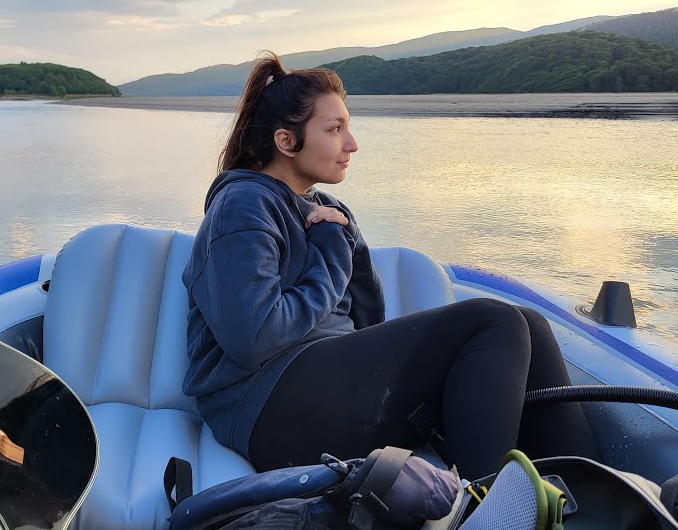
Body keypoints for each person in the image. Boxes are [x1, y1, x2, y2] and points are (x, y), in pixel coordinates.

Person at [182, 52, 599, 478]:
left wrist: (346, 239)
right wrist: (329, 251)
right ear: (287, 142)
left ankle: (586, 491)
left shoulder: (324, 208)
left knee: (530, 323)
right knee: (493, 320)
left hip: (324, 390)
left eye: (349, 126)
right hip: (262, 409)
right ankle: (483, 509)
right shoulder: (244, 205)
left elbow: (366, 321)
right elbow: (252, 337)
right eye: (334, 129)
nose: (352, 144)